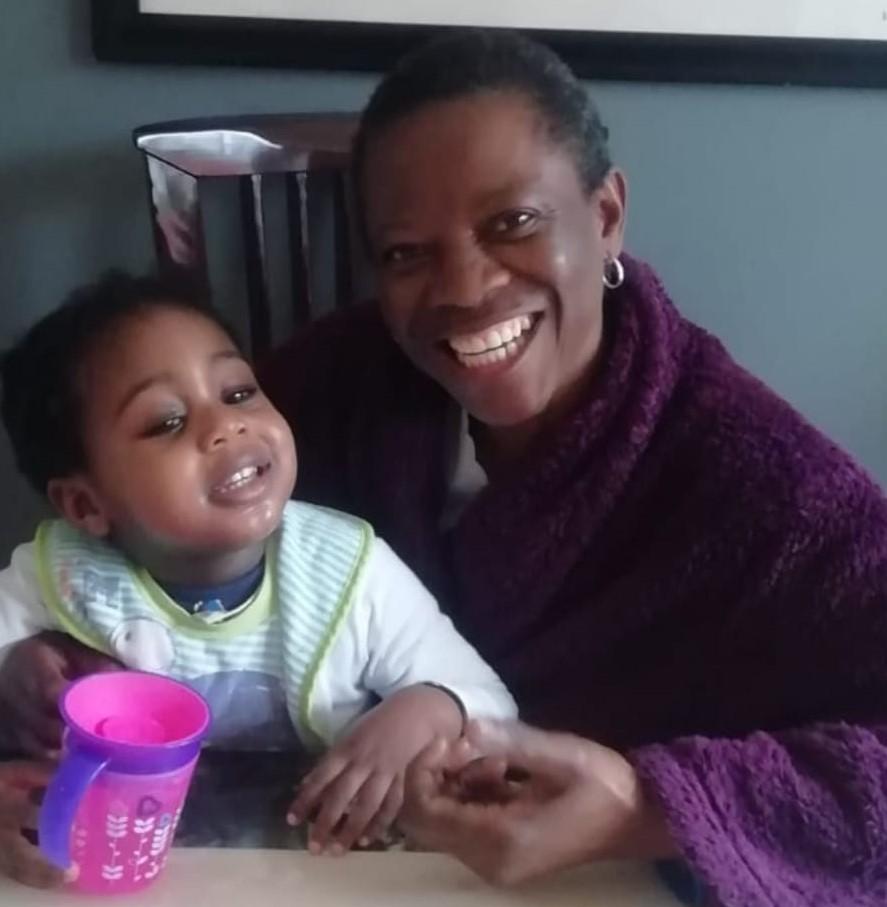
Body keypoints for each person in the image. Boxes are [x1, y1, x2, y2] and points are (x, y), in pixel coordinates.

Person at [4, 29, 886, 906]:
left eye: (513, 222)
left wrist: (645, 805)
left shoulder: (754, 477)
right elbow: (134, 542)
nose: (463, 289)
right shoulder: (315, 394)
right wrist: (35, 690)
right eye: (404, 253)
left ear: (607, 214)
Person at [0, 271, 516, 886]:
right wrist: (10, 672)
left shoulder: (348, 572)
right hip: (141, 872)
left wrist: (428, 710)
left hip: (325, 868)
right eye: (165, 421)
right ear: (86, 506)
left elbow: (492, 705)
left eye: (239, 392)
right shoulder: (59, 575)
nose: (225, 426)